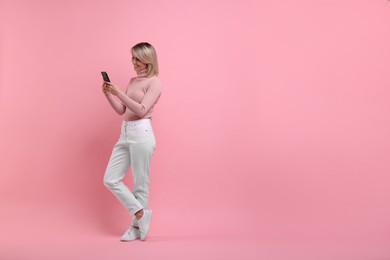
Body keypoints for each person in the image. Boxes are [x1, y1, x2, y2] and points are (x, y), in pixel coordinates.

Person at [102, 42, 162, 241]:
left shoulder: (155, 82)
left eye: (137, 59)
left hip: (142, 134)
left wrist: (119, 92)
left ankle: (136, 228)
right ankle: (140, 214)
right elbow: (122, 111)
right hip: (125, 133)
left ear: (148, 60)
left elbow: (142, 109)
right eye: (133, 58)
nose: (133, 62)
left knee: (140, 184)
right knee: (110, 179)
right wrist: (109, 94)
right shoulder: (133, 80)